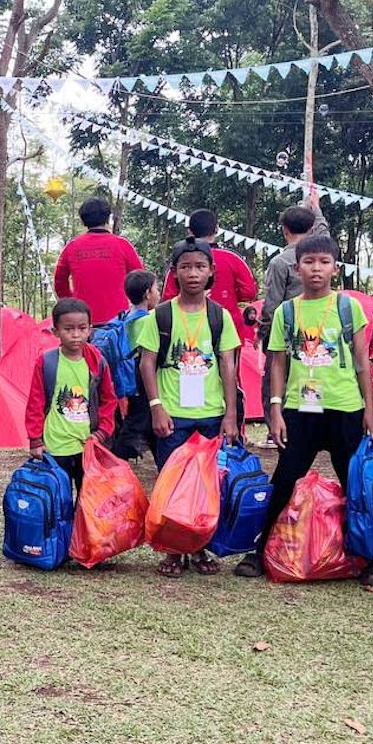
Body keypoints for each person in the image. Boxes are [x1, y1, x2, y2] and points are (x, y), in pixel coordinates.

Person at [233, 234, 373, 588]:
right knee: (285, 478)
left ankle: (369, 557)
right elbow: (276, 365)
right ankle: (259, 549)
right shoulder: (288, 311)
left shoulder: (349, 308)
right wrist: (275, 410)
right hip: (300, 411)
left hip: (345, 407)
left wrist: (370, 407)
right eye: (309, 262)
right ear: (297, 267)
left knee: (354, 483)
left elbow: (364, 363)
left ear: (336, 267)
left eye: (323, 262)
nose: (316, 269)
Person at [138, 236, 241, 577]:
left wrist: (230, 414)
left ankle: (200, 547)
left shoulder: (219, 317)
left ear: (211, 271)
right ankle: (172, 550)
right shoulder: (161, 316)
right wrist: (156, 406)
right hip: (173, 414)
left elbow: (228, 363)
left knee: (206, 486)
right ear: (174, 272)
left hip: (210, 414)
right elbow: (147, 363)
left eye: (200, 267)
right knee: (171, 484)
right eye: (186, 267)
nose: (193, 274)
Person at [25, 298, 119, 492]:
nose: (76, 335)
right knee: (60, 500)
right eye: (68, 329)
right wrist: (35, 439)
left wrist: (101, 433)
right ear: (55, 331)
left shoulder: (97, 362)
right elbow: (35, 401)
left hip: (87, 445)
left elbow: (108, 400)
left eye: (82, 328)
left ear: (90, 329)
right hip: (55, 445)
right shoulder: (46, 362)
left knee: (87, 498)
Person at [258, 205, 326, 436]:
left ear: (284, 229)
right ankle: (311, 424)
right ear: (311, 229)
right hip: (314, 330)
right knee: (310, 374)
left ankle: (278, 427)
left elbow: (272, 304)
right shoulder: (321, 258)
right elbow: (324, 232)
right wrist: (317, 210)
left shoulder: (280, 262)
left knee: (276, 381)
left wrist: (265, 332)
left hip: (284, 331)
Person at [162, 208, 258, 345]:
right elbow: (250, 292)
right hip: (230, 328)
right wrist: (228, 295)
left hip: (189, 328)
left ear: (190, 231)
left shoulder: (181, 262)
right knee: (229, 365)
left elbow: (168, 298)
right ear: (217, 229)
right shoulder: (232, 259)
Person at [53, 196, 144, 323]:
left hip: (82, 323)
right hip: (118, 323)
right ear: (108, 217)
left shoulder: (72, 247)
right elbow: (141, 280)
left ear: (83, 219)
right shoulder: (122, 245)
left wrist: (73, 303)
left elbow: (59, 282)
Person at [110, 269, 159, 460]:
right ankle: (114, 461)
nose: (158, 293)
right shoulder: (148, 321)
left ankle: (163, 461)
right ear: (148, 293)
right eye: (156, 289)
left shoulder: (124, 317)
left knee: (144, 419)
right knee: (137, 422)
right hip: (141, 378)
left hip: (129, 378)